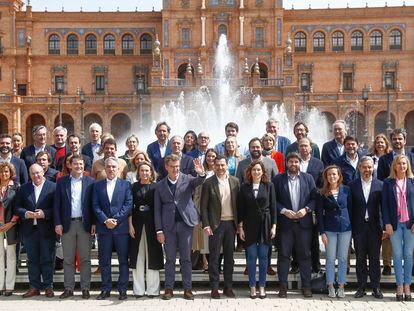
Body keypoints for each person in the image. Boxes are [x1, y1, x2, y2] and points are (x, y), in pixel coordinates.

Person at [154, 154, 206, 300]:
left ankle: (187, 289)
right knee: (170, 259)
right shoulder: (159, 185)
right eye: (172, 167)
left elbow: (199, 181)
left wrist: (201, 173)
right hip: (168, 227)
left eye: (177, 166)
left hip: (186, 225)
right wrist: (159, 230)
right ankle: (168, 289)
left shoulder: (188, 179)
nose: (175, 169)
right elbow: (157, 210)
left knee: (186, 259)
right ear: (166, 167)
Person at [272, 152, 316, 298]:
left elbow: (314, 199)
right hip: (286, 224)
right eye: (290, 161)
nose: (293, 164)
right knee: (284, 255)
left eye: (296, 162)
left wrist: (306, 209)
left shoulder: (308, 178)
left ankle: (306, 286)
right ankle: (283, 287)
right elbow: (274, 201)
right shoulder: (278, 179)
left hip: (304, 224)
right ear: (286, 163)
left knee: (304, 255)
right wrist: (284, 211)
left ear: (299, 163)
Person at [54, 155, 95, 299]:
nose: (79, 167)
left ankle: (85, 288)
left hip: (85, 224)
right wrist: (57, 223)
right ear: (70, 165)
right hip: (67, 224)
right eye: (76, 164)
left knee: (85, 258)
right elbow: (57, 205)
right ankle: (68, 288)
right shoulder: (62, 182)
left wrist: (94, 223)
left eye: (81, 164)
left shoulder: (90, 182)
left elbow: (93, 205)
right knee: (68, 259)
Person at [92, 157, 133, 300]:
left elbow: (128, 204)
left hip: (121, 229)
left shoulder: (126, 185)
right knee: (104, 261)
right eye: (108, 167)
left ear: (118, 169)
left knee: (123, 260)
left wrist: (116, 220)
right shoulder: (97, 186)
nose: (111, 169)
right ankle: (105, 289)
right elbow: (95, 206)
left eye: (114, 167)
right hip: (104, 229)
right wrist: (105, 220)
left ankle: (122, 289)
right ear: (105, 168)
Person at [200, 155, 240, 299]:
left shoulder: (235, 182)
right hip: (215, 225)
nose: (220, 168)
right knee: (214, 258)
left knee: (229, 258)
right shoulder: (208, 183)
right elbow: (203, 207)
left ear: (227, 166)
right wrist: (206, 225)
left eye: (223, 165)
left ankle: (228, 287)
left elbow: (239, 205)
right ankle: (214, 288)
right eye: (217, 165)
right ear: (214, 166)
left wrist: (239, 224)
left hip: (231, 224)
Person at [376, 129, 414, 275]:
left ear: (404, 140)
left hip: (409, 206)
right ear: (391, 141)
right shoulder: (384, 159)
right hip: (391, 202)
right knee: (388, 234)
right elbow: (380, 181)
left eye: (400, 139)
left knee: (409, 247)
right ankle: (386, 263)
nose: (397, 141)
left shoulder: (412, 157)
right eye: (395, 139)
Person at [15, 163, 56, 298]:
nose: (36, 175)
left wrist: (44, 213)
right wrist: (26, 213)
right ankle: (34, 287)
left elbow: (57, 208)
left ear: (43, 172)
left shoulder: (53, 187)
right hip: (29, 229)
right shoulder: (23, 188)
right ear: (30, 174)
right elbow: (17, 207)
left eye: (38, 172)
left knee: (47, 258)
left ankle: (48, 287)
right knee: (32, 259)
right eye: (33, 173)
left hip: (46, 229)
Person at [238, 160, 276, 299]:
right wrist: (240, 227)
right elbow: (240, 209)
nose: (256, 172)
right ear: (250, 172)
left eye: (259, 170)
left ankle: (262, 287)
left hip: (265, 224)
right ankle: (252, 286)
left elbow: (273, 208)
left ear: (263, 172)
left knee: (264, 257)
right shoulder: (244, 187)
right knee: (252, 257)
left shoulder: (269, 186)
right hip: (249, 225)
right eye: (254, 170)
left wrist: (274, 226)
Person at [349, 156, 384, 299]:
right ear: (359, 168)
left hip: (375, 227)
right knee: (360, 258)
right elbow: (350, 208)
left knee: (375, 259)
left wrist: (382, 226)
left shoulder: (380, 185)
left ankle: (376, 287)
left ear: (373, 168)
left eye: (369, 167)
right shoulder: (352, 185)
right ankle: (361, 287)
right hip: (359, 227)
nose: (367, 170)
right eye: (364, 167)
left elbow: (383, 208)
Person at [128, 161, 163, 298]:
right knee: (138, 256)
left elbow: (159, 208)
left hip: (152, 224)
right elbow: (130, 207)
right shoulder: (133, 187)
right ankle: (138, 290)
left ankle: (153, 290)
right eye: (142, 170)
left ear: (151, 172)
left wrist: (160, 228)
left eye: (147, 170)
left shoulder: (156, 187)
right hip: (136, 223)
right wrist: (130, 225)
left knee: (152, 256)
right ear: (138, 172)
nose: (144, 173)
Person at [382, 154, 414, 301]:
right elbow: (384, 205)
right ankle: (399, 285)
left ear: (407, 166)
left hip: (410, 224)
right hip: (394, 225)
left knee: (408, 255)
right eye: (399, 163)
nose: (402, 166)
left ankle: (407, 285)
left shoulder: (412, 182)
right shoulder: (388, 183)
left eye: (404, 164)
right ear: (394, 166)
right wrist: (387, 223)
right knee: (397, 254)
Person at [290, 137, 324, 274]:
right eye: (301, 146)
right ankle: (296, 264)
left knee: (313, 238)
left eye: (306, 146)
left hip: (311, 205)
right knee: (295, 237)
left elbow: (321, 186)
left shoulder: (318, 164)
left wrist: (315, 209)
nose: (304, 148)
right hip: (295, 204)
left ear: (311, 148)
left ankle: (316, 265)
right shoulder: (294, 162)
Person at [317, 165, 352, 298]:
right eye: (329, 174)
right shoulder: (322, 193)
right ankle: (330, 285)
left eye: (334, 174)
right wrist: (322, 232)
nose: (332, 176)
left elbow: (351, 209)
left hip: (345, 228)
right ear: (326, 177)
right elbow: (319, 215)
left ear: (339, 176)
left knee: (343, 259)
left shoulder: (347, 190)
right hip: (329, 229)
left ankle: (341, 285)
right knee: (330, 259)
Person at [192, 149, 217, 272]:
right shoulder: (201, 171)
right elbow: (197, 191)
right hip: (202, 207)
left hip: (216, 210)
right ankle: (203, 262)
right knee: (202, 239)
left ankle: (213, 264)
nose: (211, 158)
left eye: (213, 156)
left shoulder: (221, 171)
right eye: (208, 156)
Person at [0, 162, 19, 296]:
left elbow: (19, 207)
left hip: (11, 225)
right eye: (1, 172)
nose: (3, 174)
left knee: (11, 256)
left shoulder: (16, 187)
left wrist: (11, 223)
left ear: (10, 173)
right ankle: (0, 285)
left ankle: (9, 286)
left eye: (6, 171)